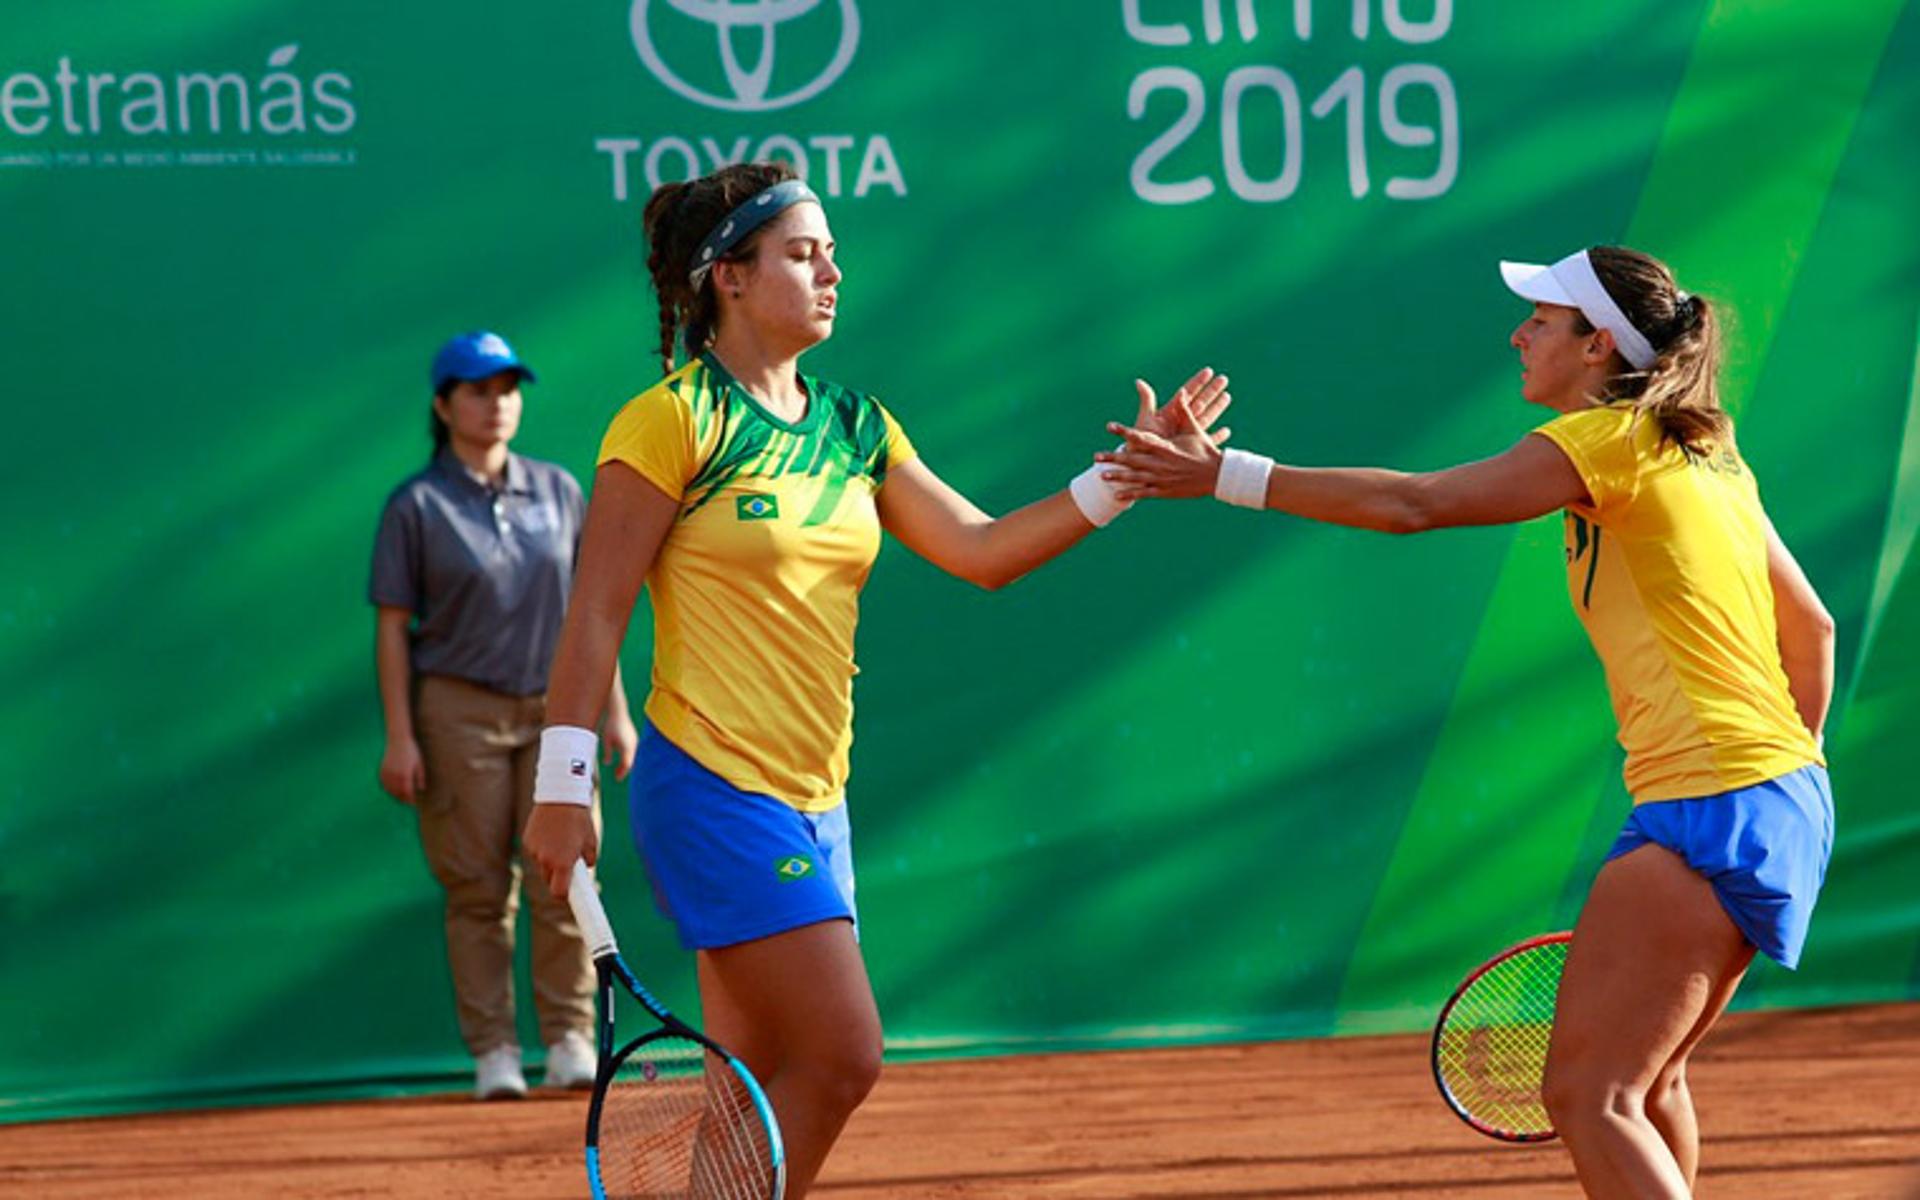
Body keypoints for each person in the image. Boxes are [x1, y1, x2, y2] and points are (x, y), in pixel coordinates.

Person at [519, 161, 1229, 1196]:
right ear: (729, 277)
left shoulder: (857, 425)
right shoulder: (670, 421)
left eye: (832, 253)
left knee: (754, 1082)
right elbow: (595, 612)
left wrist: (1127, 476)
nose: (832, 271)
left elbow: (982, 551)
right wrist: (560, 783)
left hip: (819, 802)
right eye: (804, 255)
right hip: (713, 785)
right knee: (847, 1053)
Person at [1098, 246, 1835, 1199]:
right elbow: (1810, 626)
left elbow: (1416, 504)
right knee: (1647, 1088)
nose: (1518, 333)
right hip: (1777, 795)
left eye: (1541, 319)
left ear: (1597, 345)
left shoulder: (1606, 442)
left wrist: (1225, 476)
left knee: (1592, 1096)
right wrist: (1786, 778)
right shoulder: (1708, 453)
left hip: (1713, 793)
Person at [370, 331, 640, 1100]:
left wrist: (613, 715)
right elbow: (393, 626)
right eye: (479, 390)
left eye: (508, 388)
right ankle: (492, 1052)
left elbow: (596, 610)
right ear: (443, 404)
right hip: (457, 713)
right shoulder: (415, 505)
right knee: (478, 889)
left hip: (561, 712)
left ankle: (570, 1042)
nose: (498, 403)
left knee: (568, 877)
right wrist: (401, 734)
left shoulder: (560, 490)